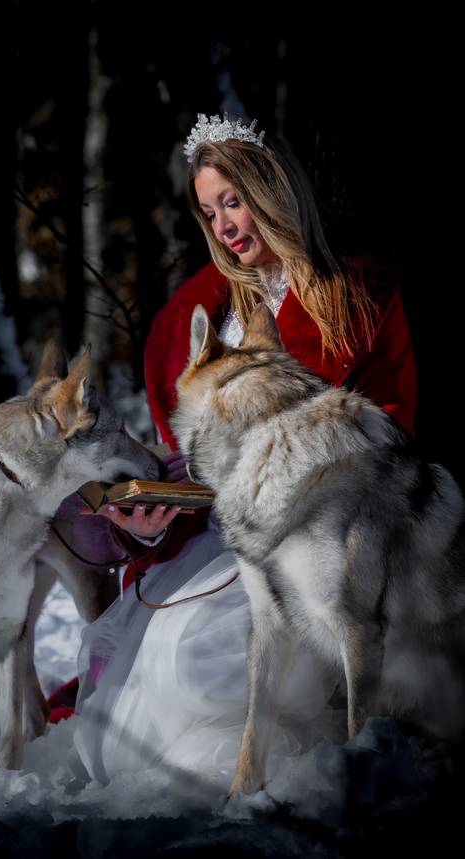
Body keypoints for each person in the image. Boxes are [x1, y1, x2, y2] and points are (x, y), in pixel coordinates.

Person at [59, 113, 418, 791]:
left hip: (319, 535)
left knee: (203, 663)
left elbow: (390, 430)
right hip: (218, 539)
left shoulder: (358, 297)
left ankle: (294, 774)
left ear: (272, 190)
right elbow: (192, 464)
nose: (223, 224)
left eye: (234, 200)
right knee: (130, 700)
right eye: (208, 210)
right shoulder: (200, 314)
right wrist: (152, 525)